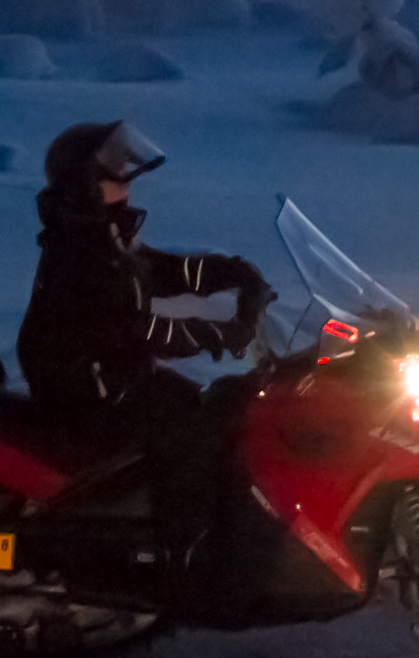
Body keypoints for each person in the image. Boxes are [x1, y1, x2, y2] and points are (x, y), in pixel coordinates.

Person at [15, 121, 266, 507]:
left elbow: (157, 270)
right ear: (84, 186)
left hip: (113, 383)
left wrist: (232, 273)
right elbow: (132, 331)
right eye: (115, 176)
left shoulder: (100, 237)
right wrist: (212, 334)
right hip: (88, 403)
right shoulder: (77, 254)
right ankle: (181, 546)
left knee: (220, 408)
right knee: (194, 437)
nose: (127, 186)